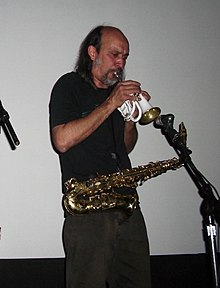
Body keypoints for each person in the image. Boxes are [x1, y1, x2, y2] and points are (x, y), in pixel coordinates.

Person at [49, 25, 151, 288]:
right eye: (115, 54)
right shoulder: (68, 85)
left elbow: (126, 148)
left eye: (125, 56)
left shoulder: (114, 94)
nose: (121, 63)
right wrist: (111, 104)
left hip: (127, 204)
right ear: (92, 52)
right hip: (89, 206)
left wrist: (131, 118)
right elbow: (62, 140)